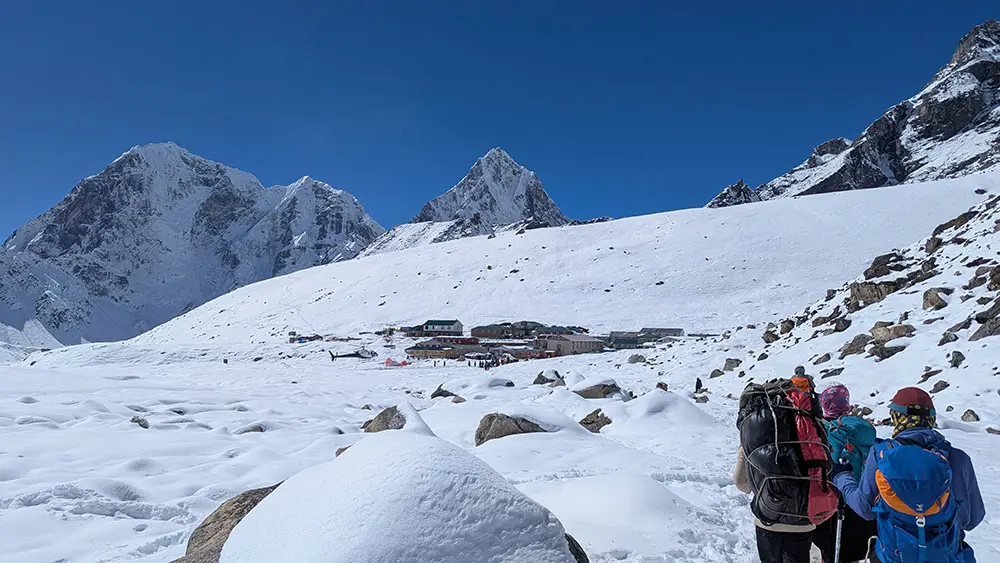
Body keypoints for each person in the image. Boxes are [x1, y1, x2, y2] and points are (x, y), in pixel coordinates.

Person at [833, 387, 986, 562]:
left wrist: (842, 477)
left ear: (896, 417)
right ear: (931, 417)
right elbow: (972, 519)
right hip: (946, 556)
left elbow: (865, 508)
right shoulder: (957, 458)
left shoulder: (882, 454)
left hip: (894, 556)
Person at [736, 378, 837, 563]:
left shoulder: (753, 429)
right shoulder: (808, 421)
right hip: (804, 516)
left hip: (768, 517)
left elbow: (741, 483)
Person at [811, 384, 878, 563]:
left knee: (832, 550)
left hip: (832, 499)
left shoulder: (824, 429)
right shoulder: (863, 428)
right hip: (863, 496)